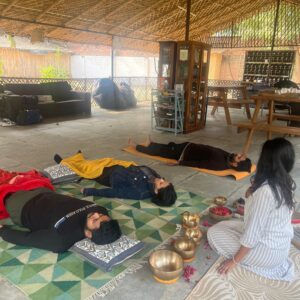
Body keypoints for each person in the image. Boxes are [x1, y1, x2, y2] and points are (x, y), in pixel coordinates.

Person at [207, 137, 296, 281]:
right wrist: (252, 191)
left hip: (267, 253)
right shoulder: (286, 182)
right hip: (279, 247)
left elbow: (252, 235)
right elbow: (252, 197)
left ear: (266, 161)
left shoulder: (266, 191)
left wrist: (234, 261)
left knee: (213, 233)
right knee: (224, 224)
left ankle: (248, 260)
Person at [0, 188, 122, 253]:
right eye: (100, 215)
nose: (95, 213)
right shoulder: (101, 210)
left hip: (22, 205)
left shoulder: (61, 239)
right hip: (45, 191)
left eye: (95, 220)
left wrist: (3, 231)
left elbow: (27, 239)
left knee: (5, 193)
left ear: (89, 234)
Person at [54, 153, 177, 207]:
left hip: (107, 174)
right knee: (92, 162)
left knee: (85, 169)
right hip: (120, 165)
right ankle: (77, 158)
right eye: (164, 180)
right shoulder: (156, 178)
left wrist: (90, 191)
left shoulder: (139, 192)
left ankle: (63, 163)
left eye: (161, 183)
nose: (160, 178)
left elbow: (115, 192)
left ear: (156, 191)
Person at [130, 138, 252, 172]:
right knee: (168, 147)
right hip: (189, 147)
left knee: (160, 152)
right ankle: (151, 143)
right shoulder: (228, 156)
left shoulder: (219, 165)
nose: (239, 154)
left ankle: (136, 146)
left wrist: (179, 163)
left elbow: (200, 164)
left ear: (235, 164)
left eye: (240, 157)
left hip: (183, 154)